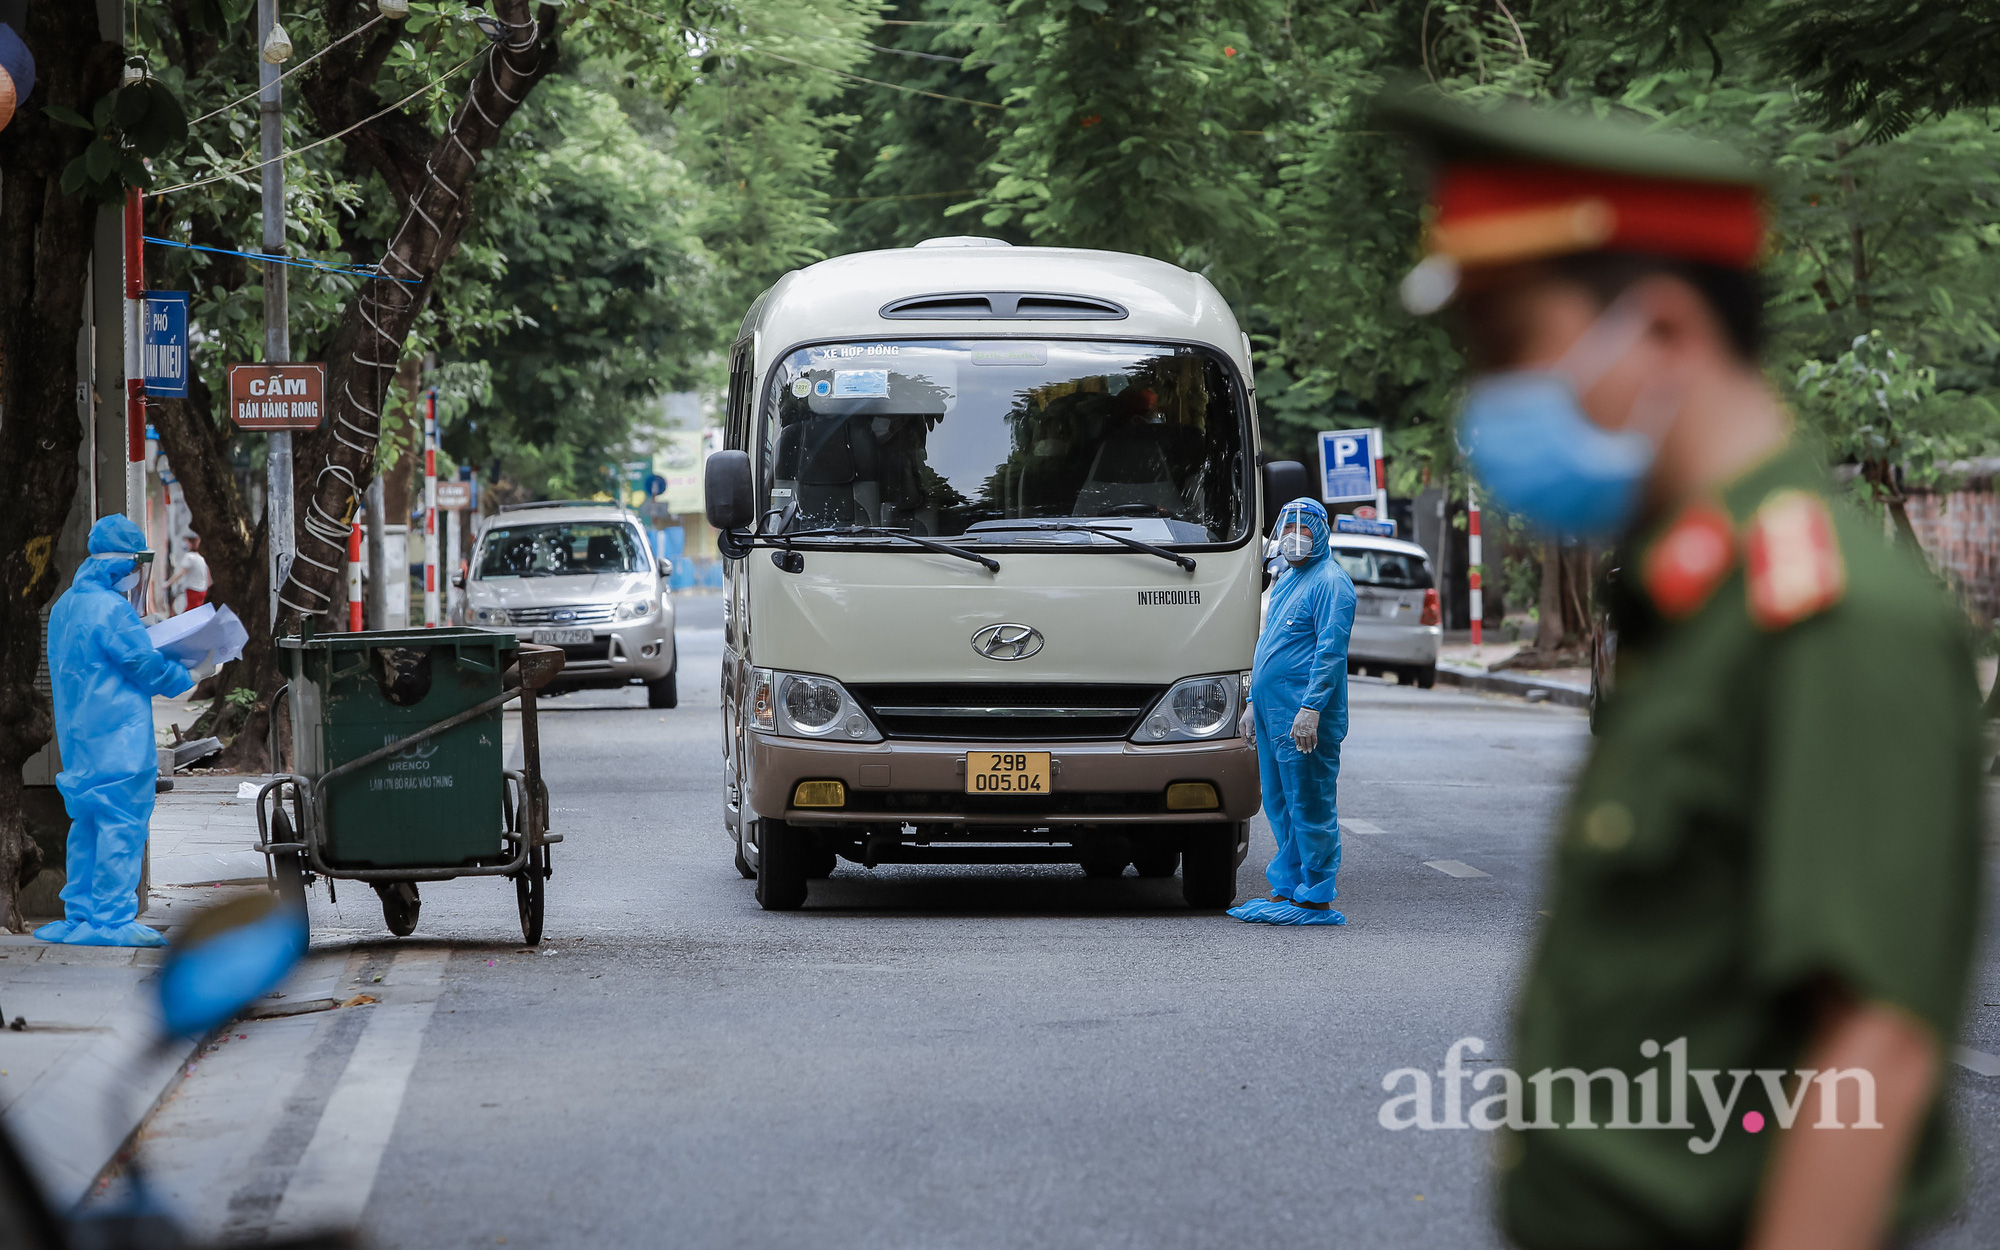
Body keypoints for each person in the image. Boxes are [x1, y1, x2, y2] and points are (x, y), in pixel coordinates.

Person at [1381, 91, 1985, 1250]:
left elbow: (1870, 1048)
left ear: (1659, 330)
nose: (1486, 401)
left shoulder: (1826, 613)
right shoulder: (1694, 595)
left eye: (1509, 349)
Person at [35, 515, 194, 947]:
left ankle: (80, 915)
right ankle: (110, 920)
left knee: (86, 826)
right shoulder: (112, 608)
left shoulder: (67, 605)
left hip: (80, 743)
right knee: (122, 827)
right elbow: (144, 666)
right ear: (125, 563)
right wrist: (190, 670)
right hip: (119, 742)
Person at [1228, 498, 1356, 926]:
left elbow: (1330, 652)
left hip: (1303, 718)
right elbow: (1269, 644)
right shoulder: (1286, 579)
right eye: (1287, 527)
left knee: (1311, 802)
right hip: (1271, 714)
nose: (1293, 536)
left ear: (1321, 532)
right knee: (1281, 803)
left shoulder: (1332, 583)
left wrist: (1311, 708)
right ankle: (1289, 888)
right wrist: (1250, 704)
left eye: (1303, 528)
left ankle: (1316, 893)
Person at [165, 533, 209, 612]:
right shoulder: (200, 557)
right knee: (195, 610)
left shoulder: (189, 557)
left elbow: (181, 573)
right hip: (202, 589)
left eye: (186, 542)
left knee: (190, 611)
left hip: (193, 589)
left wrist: (168, 583)